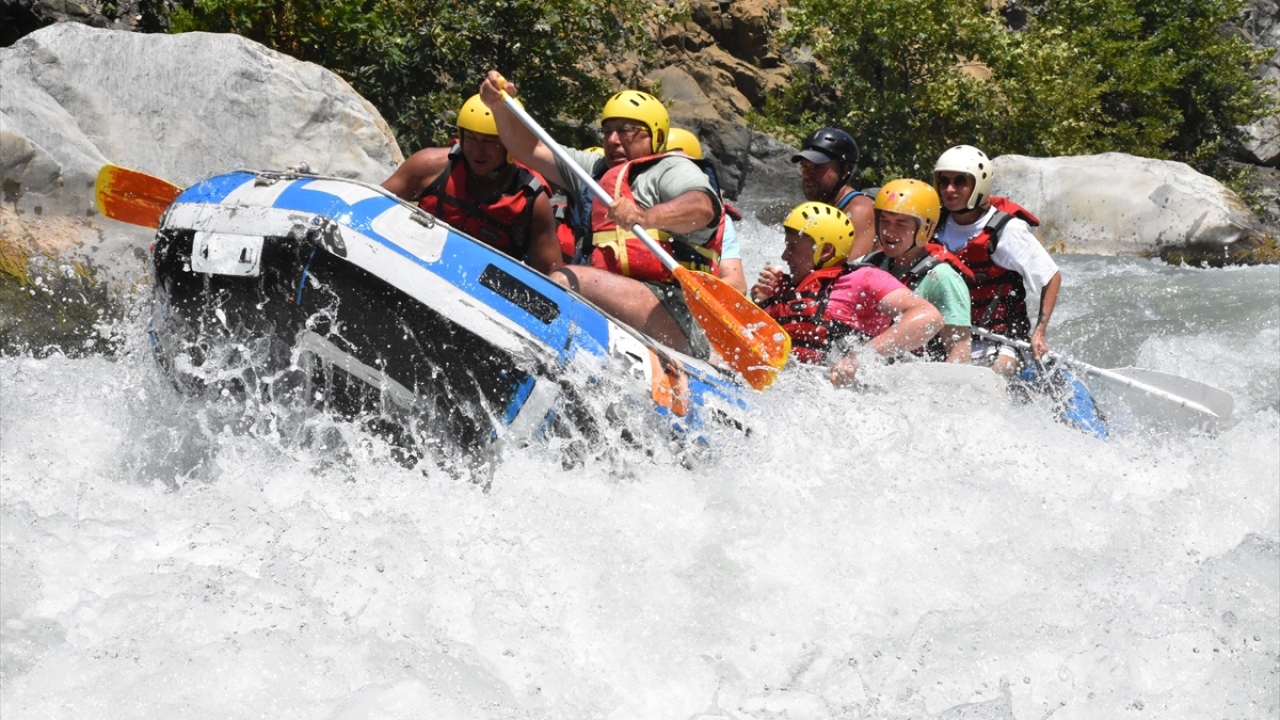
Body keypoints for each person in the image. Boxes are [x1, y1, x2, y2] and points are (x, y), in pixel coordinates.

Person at [479, 73, 723, 358]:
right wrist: (498, 107)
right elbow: (529, 148)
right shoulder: (594, 171)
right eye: (607, 131)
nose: (614, 140)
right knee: (554, 278)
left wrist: (645, 217)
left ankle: (529, 355)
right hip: (620, 297)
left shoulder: (670, 168)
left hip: (674, 308)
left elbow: (702, 207)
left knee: (564, 280)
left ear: (656, 136)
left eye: (627, 130)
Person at [750, 202, 943, 387]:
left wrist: (860, 358)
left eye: (793, 247)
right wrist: (763, 301)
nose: (784, 256)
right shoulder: (786, 288)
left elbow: (929, 317)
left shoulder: (864, 279)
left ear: (825, 251)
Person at [381, 95, 562, 274]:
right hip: (413, 269)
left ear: (512, 144)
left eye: (490, 141)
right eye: (472, 137)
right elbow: (373, 203)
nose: (477, 151)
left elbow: (551, 278)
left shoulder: (532, 202)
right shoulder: (428, 165)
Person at [932, 145, 1061, 376]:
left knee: (997, 375)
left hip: (1003, 341)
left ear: (978, 184)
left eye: (960, 181)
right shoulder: (933, 225)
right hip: (949, 338)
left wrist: (1040, 331)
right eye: (944, 181)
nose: (949, 189)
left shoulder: (1007, 230)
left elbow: (1051, 277)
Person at [855, 179, 974, 364]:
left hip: (918, 377)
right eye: (884, 220)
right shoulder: (867, 264)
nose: (888, 231)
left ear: (924, 229)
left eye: (901, 224)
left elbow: (960, 351)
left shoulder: (943, 278)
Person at [666, 127, 747, 295]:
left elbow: (737, 284)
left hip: (686, 300)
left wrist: (690, 293)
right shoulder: (635, 203)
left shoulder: (721, 222)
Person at [791, 127, 876, 259]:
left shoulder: (860, 210)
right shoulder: (821, 209)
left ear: (845, 171)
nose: (808, 174)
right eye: (805, 166)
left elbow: (852, 273)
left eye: (818, 167)